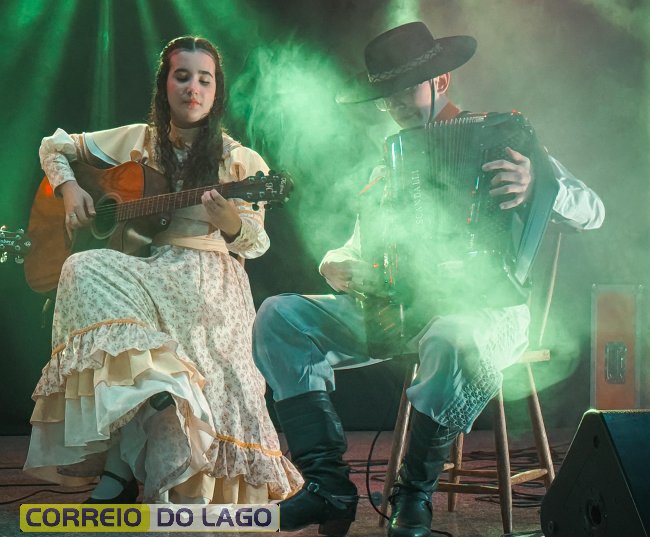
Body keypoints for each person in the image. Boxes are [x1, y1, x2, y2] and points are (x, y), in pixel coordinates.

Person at [252, 22, 605, 536]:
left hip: (487, 313)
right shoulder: (391, 161)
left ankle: (413, 495)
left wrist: (538, 187)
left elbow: (594, 210)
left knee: (451, 335)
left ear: (441, 81)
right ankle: (329, 488)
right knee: (279, 316)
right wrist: (335, 263)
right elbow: (358, 245)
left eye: (405, 87)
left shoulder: (506, 141)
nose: (394, 102)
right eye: (386, 94)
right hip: (398, 311)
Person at [23, 36, 302, 505]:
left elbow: (256, 243)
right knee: (82, 265)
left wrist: (231, 223)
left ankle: (149, 441)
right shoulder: (139, 140)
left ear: (216, 91)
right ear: (164, 85)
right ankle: (153, 397)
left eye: (204, 80)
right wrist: (70, 190)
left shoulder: (240, 161)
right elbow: (55, 146)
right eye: (182, 76)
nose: (193, 87)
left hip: (210, 280)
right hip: (150, 269)